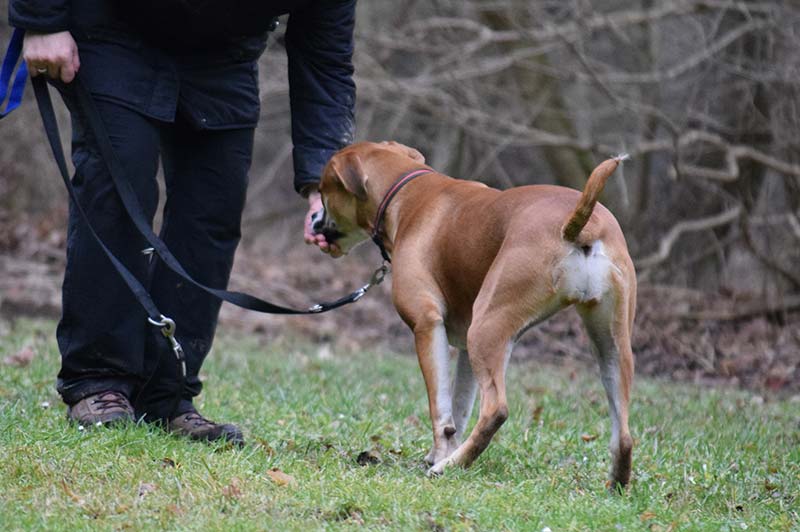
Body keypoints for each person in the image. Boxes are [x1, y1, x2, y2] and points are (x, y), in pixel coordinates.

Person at [9, 0, 354, 445]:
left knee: (213, 211)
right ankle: (99, 383)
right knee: (119, 189)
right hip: (114, 30)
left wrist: (320, 182)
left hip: (225, 54)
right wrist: (41, 22)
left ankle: (167, 395)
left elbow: (325, 57)